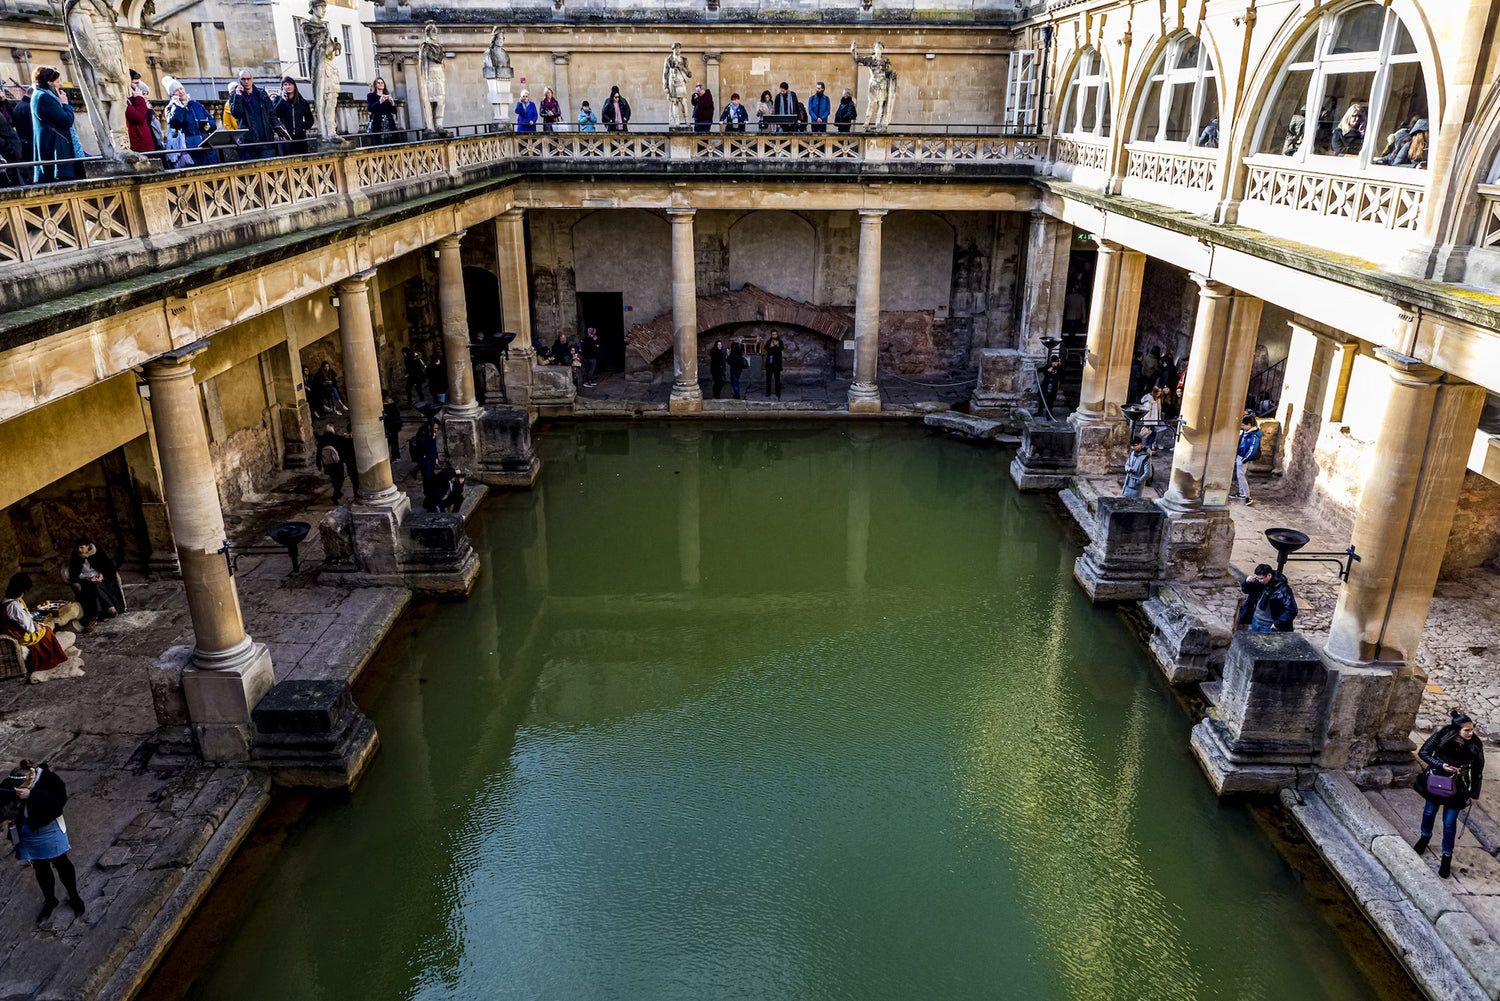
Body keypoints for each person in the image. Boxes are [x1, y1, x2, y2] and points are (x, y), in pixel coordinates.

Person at [2, 761, 84, 922]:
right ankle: (50, 900)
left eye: (22, 787)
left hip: (48, 829)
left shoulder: (49, 780)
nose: (18, 790)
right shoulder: (12, 782)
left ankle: (74, 897)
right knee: (40, 867)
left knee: (62, 863)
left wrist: (32, 796)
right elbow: (2, 796)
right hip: (27, 832)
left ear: (32, 778)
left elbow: (58, 802)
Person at [1414, 711, 1485, 879]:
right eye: (1467, 730)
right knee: (1430, 812)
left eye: (1472, 729)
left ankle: (1447, 856)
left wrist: (1475, 793)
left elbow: (1478, 770)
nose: (1470, 733)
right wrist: (1441, 765)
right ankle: (1425, 837)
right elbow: (1423, 752)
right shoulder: (1441, 736)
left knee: (1449, 822)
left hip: (1458, 787)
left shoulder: (1475, 744)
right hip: (1437, 782)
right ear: (1457, 729)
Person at [3, 574, 72, 675]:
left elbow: (23, 619)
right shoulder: (14, 606)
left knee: (44, 628)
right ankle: (46, 660)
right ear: (21, 591)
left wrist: (34, 622)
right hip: (19, 635)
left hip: (17, 629)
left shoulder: (7, 600)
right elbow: (29, 628)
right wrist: (36, 626)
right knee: (47, 631)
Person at [31, 67, 80, 182]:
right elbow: (66, 120)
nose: (59, 84)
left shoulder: (40, 95)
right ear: (49, 83)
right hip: (56, 151)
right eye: (57, 82)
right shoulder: (44, 97)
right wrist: (65, 104)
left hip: (52, 148)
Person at [67, 539, 125, 629]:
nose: (79, 550)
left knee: (96, 586)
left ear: (88, 546)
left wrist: (101, 574)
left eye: (82, 547)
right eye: (78, 548)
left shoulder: (98, 554)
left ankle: (95, 616)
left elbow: (108, 567)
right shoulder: (75, 556)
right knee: (93, 586)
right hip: (85, 580)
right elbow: (74, 573)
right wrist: (87, 578)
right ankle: (110, 606)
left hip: (101, 579)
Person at [164, 79, 219, 167]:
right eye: (177, 90)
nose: (181, 92)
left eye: (181, 88)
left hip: (207, 147)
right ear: (172, 95)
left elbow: (213, 122)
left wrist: (209, 125)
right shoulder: (170, 108)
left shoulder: (196, 105)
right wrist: (179, 106)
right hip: (190, 150)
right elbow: (175, 123)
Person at [229, 69, 278, 158]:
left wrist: (279, 129)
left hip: (265, 140)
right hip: (248, 142)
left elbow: (271, 113)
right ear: (239, 81)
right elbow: (236, 113)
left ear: (252, 79)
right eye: (243, 79)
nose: (246, 81)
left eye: (248, 79)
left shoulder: (261, 93)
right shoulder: (235, 95)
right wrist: (238, 96)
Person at [1239, 564, 1297, 633]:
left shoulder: (1283, 589)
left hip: (1269, 626)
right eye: (1257, 578)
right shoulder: (1260, 582)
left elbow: (1291, 610)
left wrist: (1277, 624)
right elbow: (1246, 590)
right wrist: (1247, 583)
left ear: (1269, 576)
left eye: (1261, 578)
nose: (1259, 580)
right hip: (1256, 621)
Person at [273, 77, 313, 154]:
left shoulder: (302, 102)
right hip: (285, 138)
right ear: (282, 87)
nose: (288, 86)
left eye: (290, 84)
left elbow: (310, 119)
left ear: (294, 86)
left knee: (302, 161)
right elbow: (275, 114)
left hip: (300, 138)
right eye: (285, 84)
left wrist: (302, 126)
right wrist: (283, 100)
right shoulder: (278, 99)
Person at [124, 79, 159, 155]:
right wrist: (140, 100)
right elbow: (139, 117)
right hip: (138, 145)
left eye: (147, 94)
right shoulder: (130, 102)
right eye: (143, 94)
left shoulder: (144, 105)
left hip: (149, 143)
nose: (145, 97)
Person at [1234, 414, 1261, 505]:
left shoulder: (1253, 435)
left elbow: (1252, 449)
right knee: (1239, 475)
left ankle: (1248, 496)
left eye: (1243, 425)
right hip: (1240, 455)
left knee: (1241, 476)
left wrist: (1245, 459)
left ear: (1249, 425)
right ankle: (1241, 492)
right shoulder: (1246, 432)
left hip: (1243, 457)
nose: (1242, 427)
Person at [317, 425, 349, 502]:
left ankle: (337, 492)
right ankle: (336, 493)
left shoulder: (321, 440)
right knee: (340, 478)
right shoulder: (337, 438)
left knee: (334, 478)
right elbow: (343, 448)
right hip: (337, 462)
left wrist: (318, 464)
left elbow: (318, 453)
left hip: (327, 463)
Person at [409, 417, 439, 486]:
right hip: (424, 458)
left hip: (431, 457)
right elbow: (422, 445)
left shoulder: (432, 433)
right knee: (427, 476)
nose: (436, 431)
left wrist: (436, 457)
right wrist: (431, 439)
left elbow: (434, 447)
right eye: (435, 428)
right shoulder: (422, 432)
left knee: (431, 474)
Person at [381, 392, 403, 461]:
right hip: (394, 427)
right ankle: (395, 456)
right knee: (394, 442)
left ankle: (392, 457)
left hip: (391, 427)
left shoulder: (388, 406)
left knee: (389, 443)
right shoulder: (392, 404)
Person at [764, 331, 784, 398]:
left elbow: (782, 348)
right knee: (768, 379)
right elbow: (766, 348)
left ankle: (777, 392)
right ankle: (768, 392)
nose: (774, 335)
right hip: (770, 363)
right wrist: (771, 346)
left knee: (777, 379)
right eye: (773, 334)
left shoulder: (780, 342)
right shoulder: (769, 341)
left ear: (777, 334)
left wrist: (777, 345)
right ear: (771, 335)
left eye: (775, 334)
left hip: (777, 364)